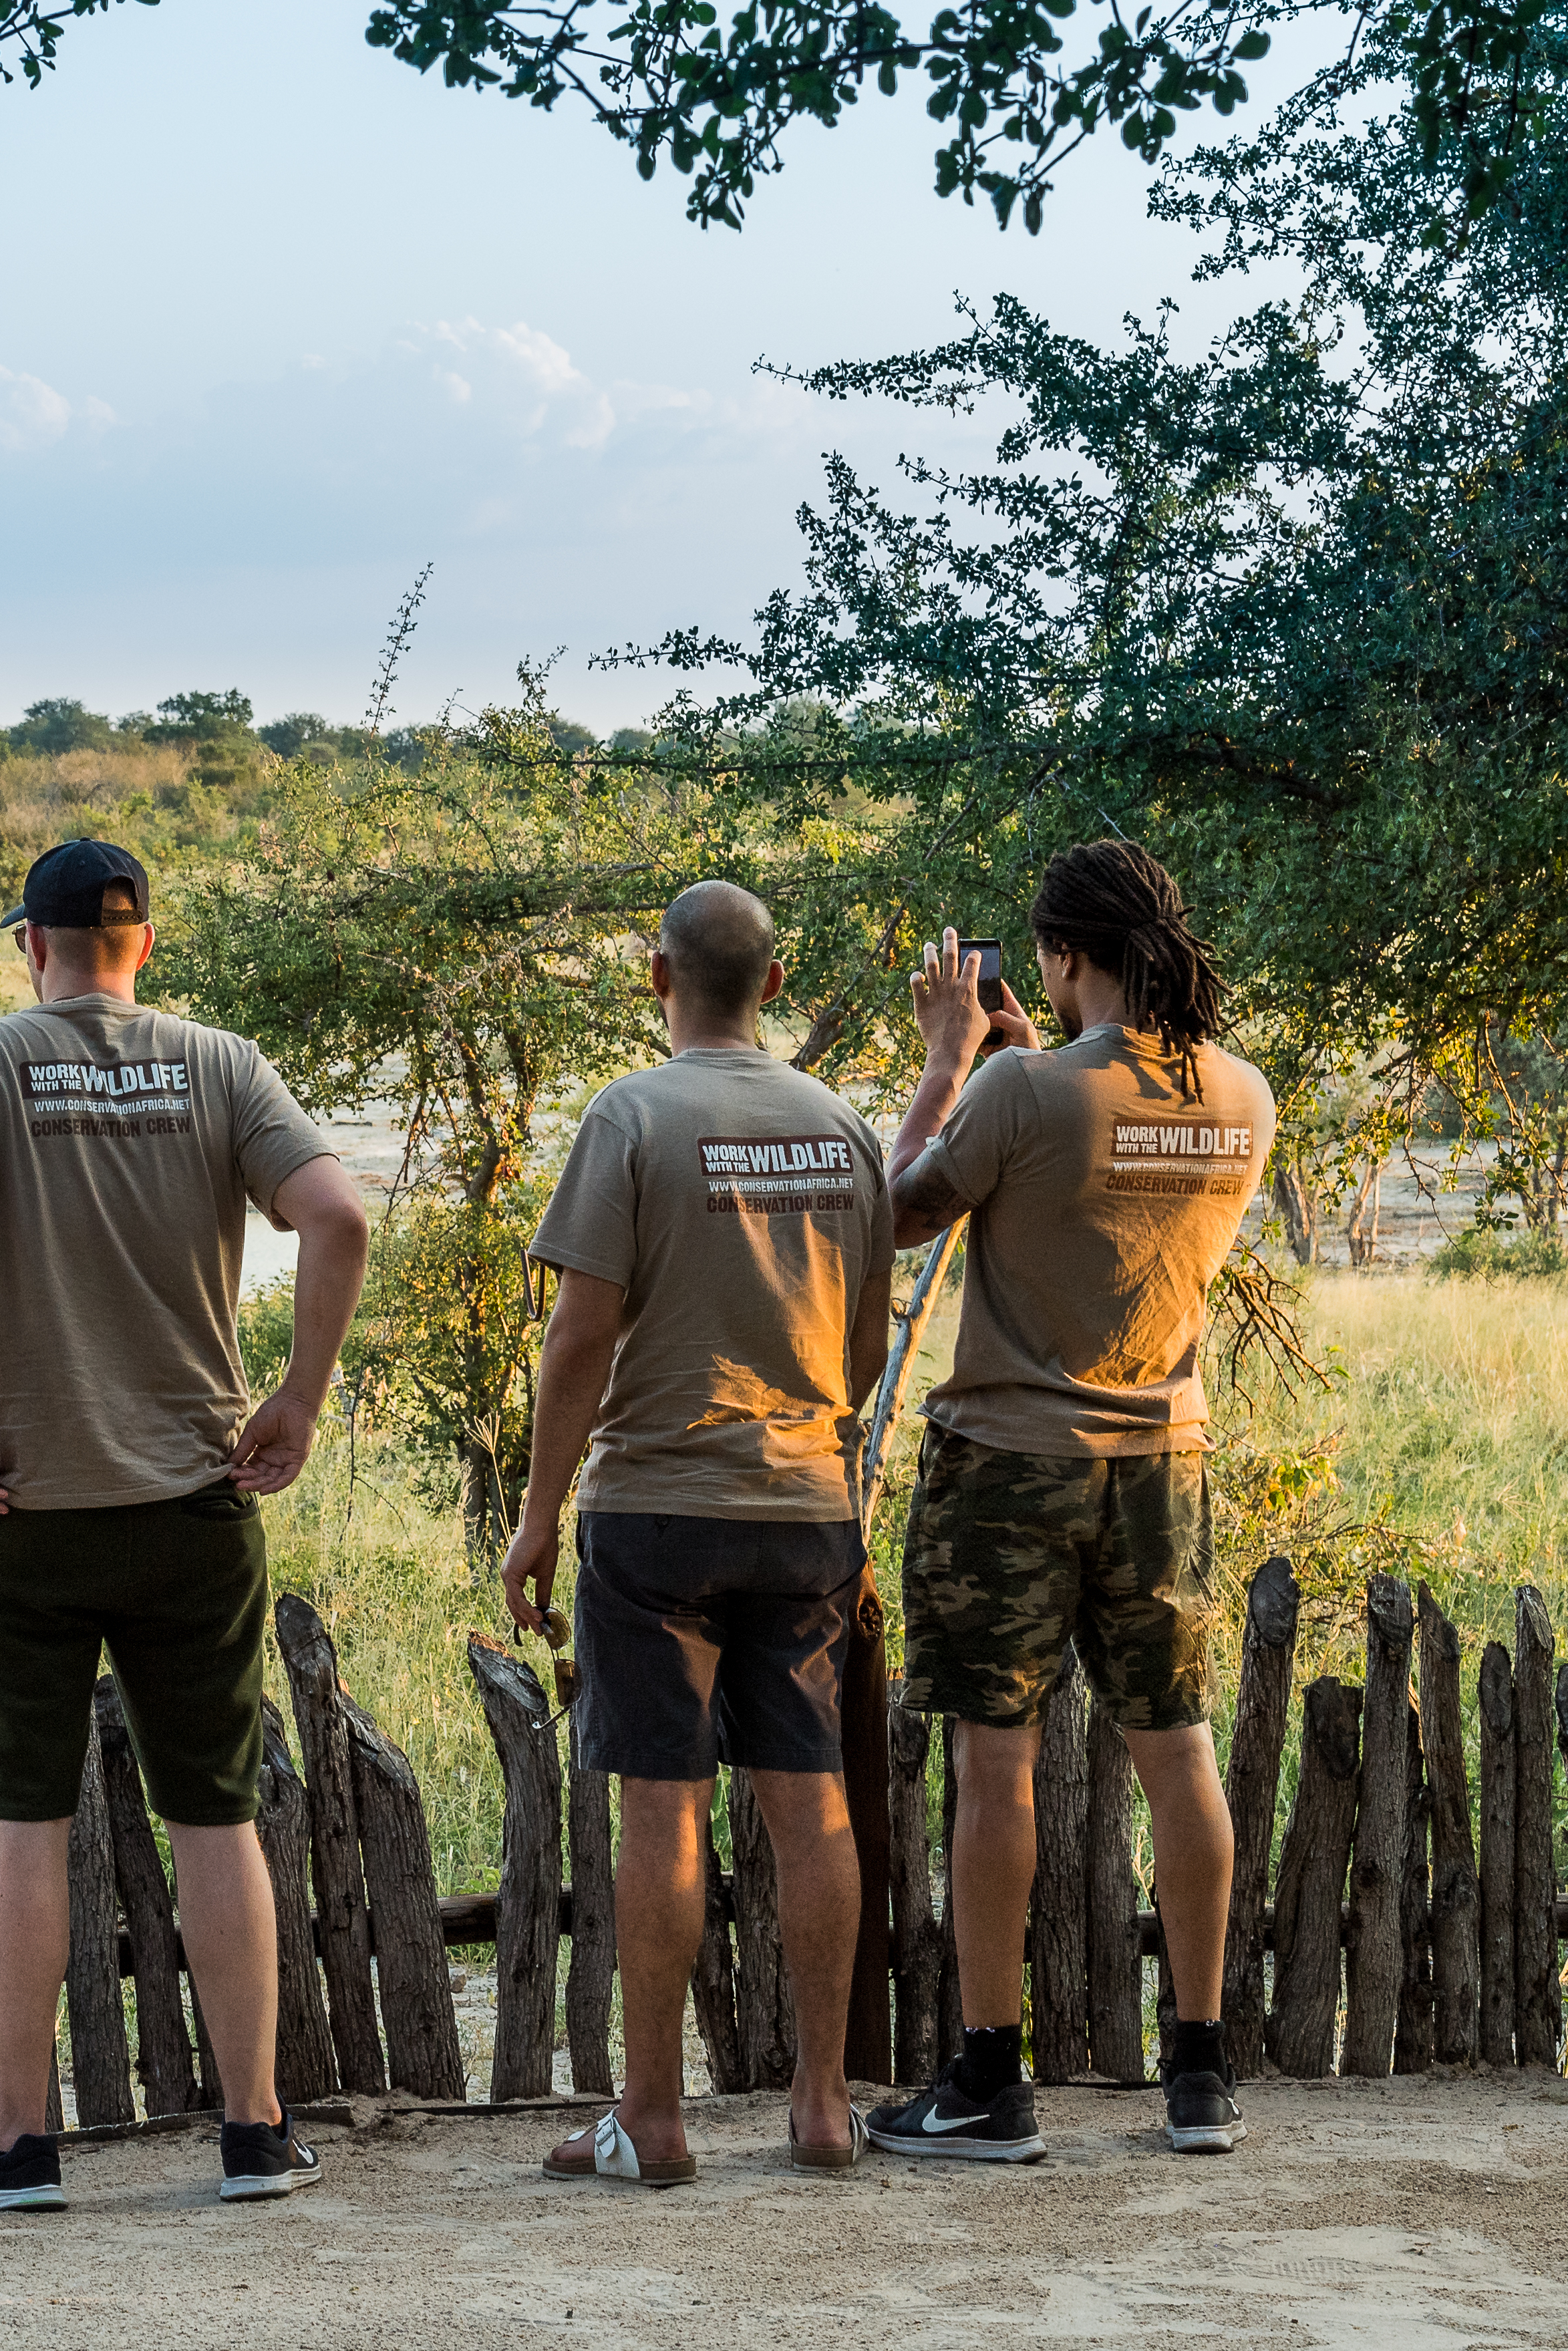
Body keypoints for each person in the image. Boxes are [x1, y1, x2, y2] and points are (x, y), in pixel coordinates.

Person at [0, 838, 372, 2213]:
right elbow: (333, 1213)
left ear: (28, 941)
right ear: (142, 939)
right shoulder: (219, 1063)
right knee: (215, 1817)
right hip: (193, 1502)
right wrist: (298, 1396)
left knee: (20, 1825)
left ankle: (20, 2146)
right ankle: (255, 2132)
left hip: (18, 1503)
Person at [864, 840, 1275, 2163]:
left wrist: (947, 1059)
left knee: (998, 1759)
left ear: (1060, 955)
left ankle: (990, 2078)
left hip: (1007, 1459)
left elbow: (890, 1218)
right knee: (1177, 1749)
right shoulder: (1242, 1096)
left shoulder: (1018, 1090)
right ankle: (1198, 2073)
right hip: (1165, 1459)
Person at [498, 879, 893, 2183]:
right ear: (772, 984)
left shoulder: (630, 1115)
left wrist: (537, 1509)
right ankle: (822, 2103)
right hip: (804, 1505)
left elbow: (578, 1336)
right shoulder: (838, 1127)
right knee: (809, 1803)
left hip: (656, 1509)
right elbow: (863, 1342)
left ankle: (652, 2119)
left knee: (659, 1812)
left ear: (653, 973)